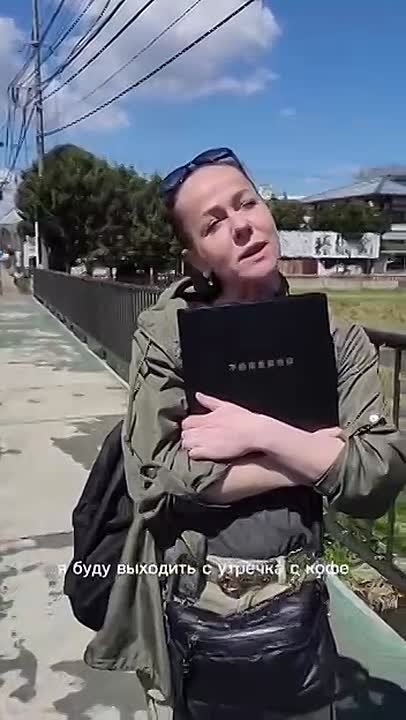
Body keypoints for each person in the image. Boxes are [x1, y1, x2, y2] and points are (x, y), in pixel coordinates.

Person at [83, 148, 406, 720]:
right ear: (195, 257)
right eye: (212, 224)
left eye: (246, 203)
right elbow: (157, 477)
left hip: (299, 607)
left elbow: (376, 478)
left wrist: (261, 432)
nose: (240, 225)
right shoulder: (167, 336)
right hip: (193, 605)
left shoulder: (337, 339)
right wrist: (314, 455)